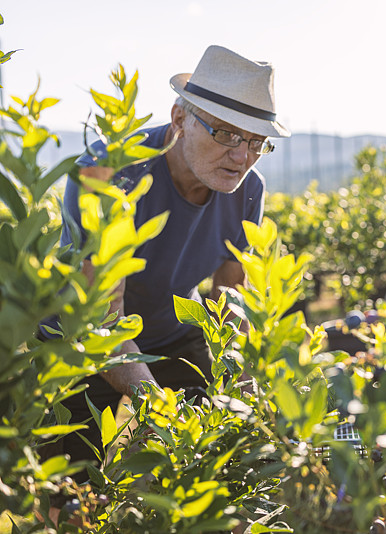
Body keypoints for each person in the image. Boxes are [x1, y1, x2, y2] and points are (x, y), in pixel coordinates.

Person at [41, 45, 290, 476]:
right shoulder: (109, 172)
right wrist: (157, 405)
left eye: (256, 141)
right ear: (179, 120)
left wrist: (244, 385)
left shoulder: (248, 191)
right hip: (82, 339)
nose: (242, 157)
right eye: (226, 134)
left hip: (172, 333)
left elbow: (229, 300)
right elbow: (101, 320)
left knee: (215, 468)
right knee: (73, 488)